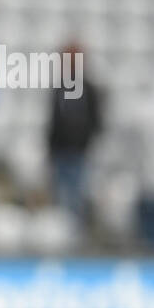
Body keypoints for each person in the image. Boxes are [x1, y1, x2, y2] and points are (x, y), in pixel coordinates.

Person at [47, 39, 103, 220]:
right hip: (60, 154)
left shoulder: (89, 88)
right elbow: (54, 120)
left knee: (76, 200)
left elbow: (96, 121)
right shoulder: (60, 88)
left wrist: (86, 143)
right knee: (61, 202)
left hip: (80, 154)